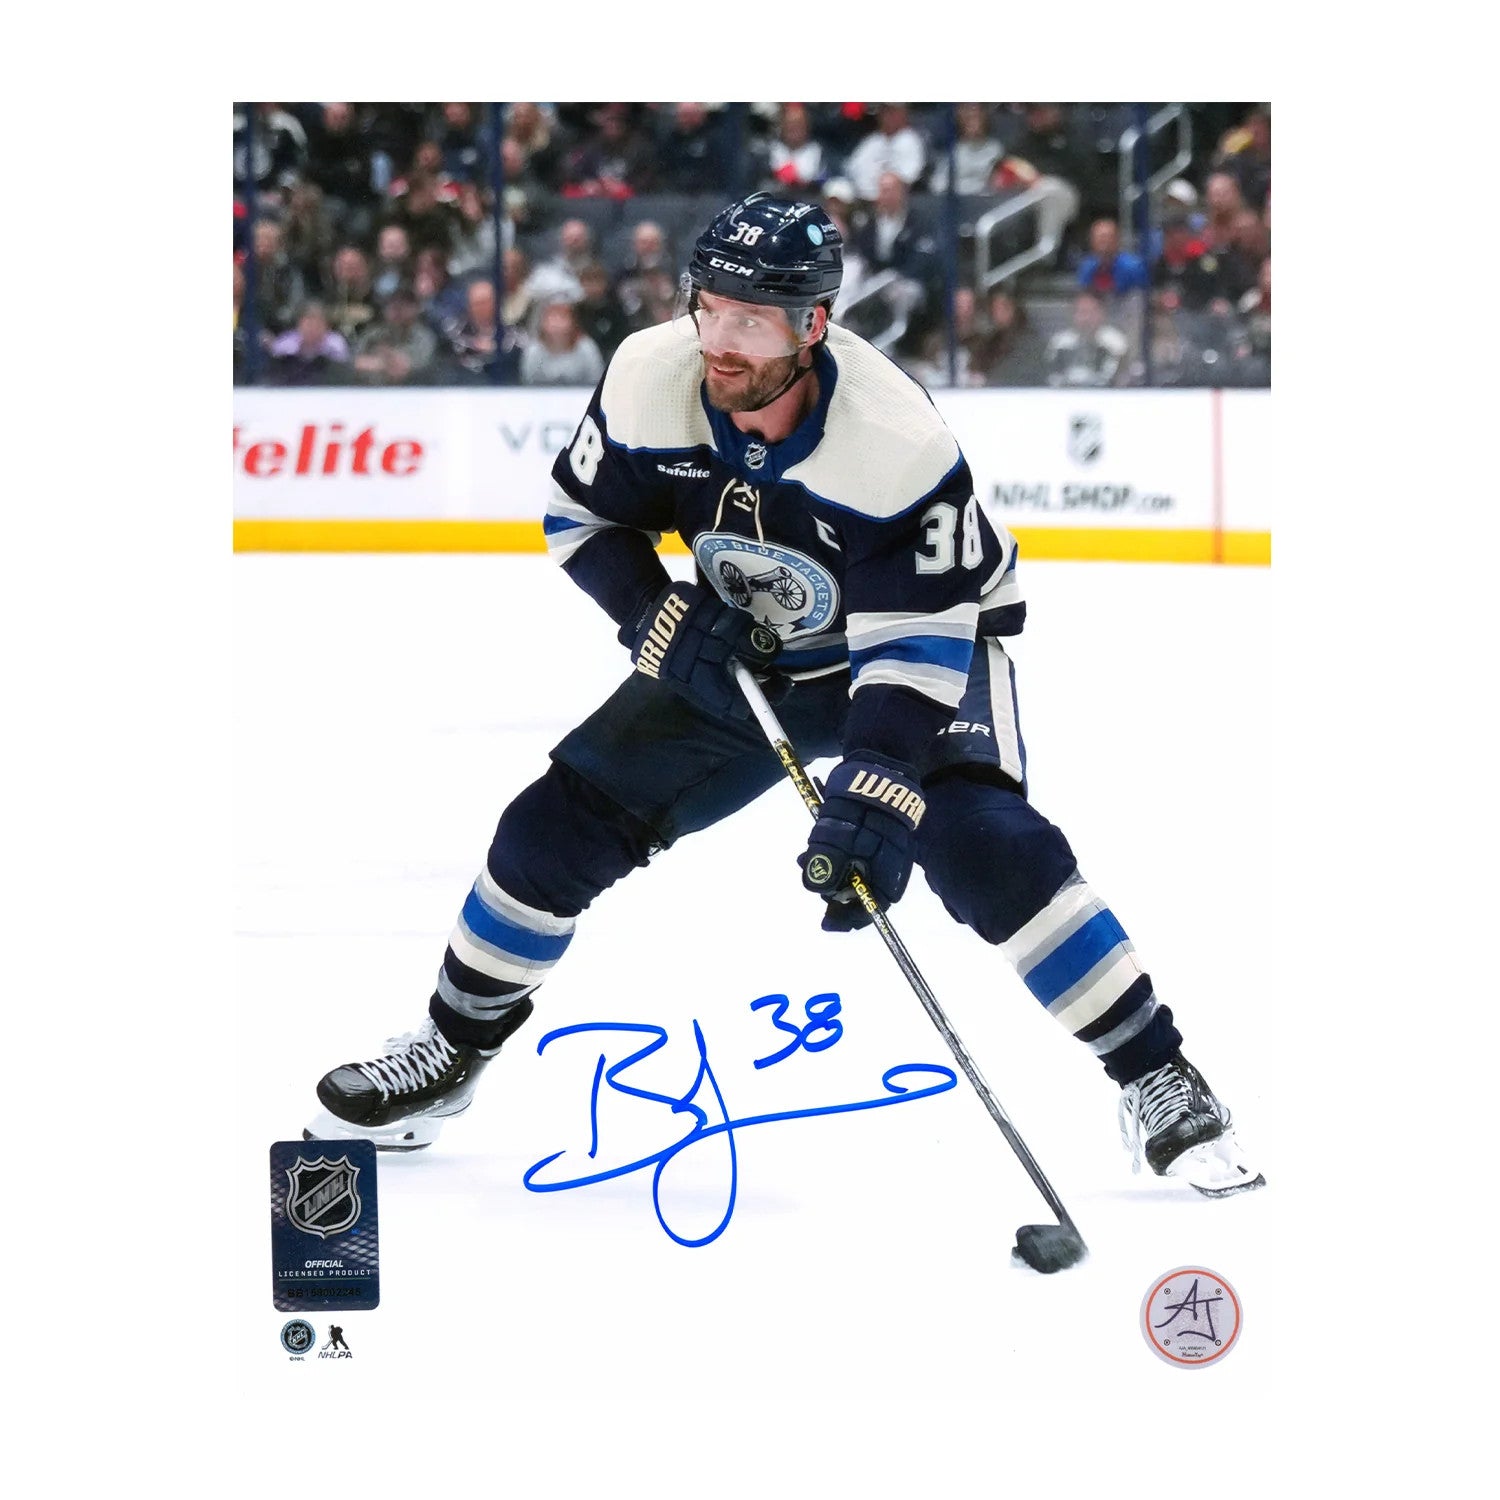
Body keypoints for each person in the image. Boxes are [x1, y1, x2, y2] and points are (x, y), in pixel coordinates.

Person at [306, 193, 1264, 1202]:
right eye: (709, 307)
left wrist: (878, 789)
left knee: (986, 846)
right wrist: (654, 616)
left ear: (813, 325)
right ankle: (451, 1051)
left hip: (912, 652)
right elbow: (580, 518)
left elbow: (916, 644)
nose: (721, 341)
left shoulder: (894, 440)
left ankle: (1157, 1072)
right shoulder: (648, 377)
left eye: (753, 320)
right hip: (745, 652)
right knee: (549, 832)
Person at [1046, 291, 1130, 387]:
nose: (1086, 318)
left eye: (1091, 312)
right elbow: (1052, 376)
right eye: (1082, 312)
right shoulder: (1060, 342)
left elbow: (1118, 377)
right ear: (1073, 315)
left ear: (1101, 313)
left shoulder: (1116, 341)